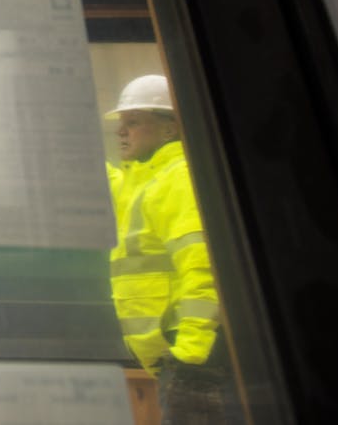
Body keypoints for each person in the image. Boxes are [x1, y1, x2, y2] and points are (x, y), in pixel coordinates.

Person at [107, 74, 237, 423]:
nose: (121, 132)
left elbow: (203, 265)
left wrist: (191, 354)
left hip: (198, 362)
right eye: (121, 123)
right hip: (179, 360)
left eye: (133, 122)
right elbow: (116, 189)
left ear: (169, 129)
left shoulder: (177, 177)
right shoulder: (147, 181)